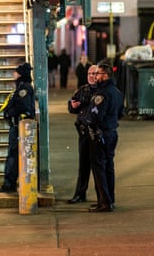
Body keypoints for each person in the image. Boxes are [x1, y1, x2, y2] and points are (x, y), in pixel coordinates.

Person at [85, 64, 124, 212]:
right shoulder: (117, 92)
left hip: (100, 134)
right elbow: (121, 112)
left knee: (99, 168)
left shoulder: (102, 94)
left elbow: (95, 116)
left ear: (105, 75)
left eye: (98, 74)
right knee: (109, 167)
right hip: (112, 132)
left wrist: (89, 122)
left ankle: (104, 203)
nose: (95, 77)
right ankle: (109, 199)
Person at [0, 61, 35, 193]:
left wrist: (10, 112)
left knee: (13, 156)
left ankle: (9, 183)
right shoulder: (22, 87)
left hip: (19, 127)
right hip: (18, 127)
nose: (14, 73)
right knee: (13, 155)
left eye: (16, 71)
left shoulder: (24, 88)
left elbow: (22, 106)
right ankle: (10, 182)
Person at [66, 65, 98, 204]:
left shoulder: (103, 91)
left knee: (99, 167)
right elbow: (71, 106)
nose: (91, 76)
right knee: (83, 165)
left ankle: (103, 197)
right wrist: (73, 106)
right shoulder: (82, 90)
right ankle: (80, 194)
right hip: (84, 133)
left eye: (94, 73)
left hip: (97, 134)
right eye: (90, 73)